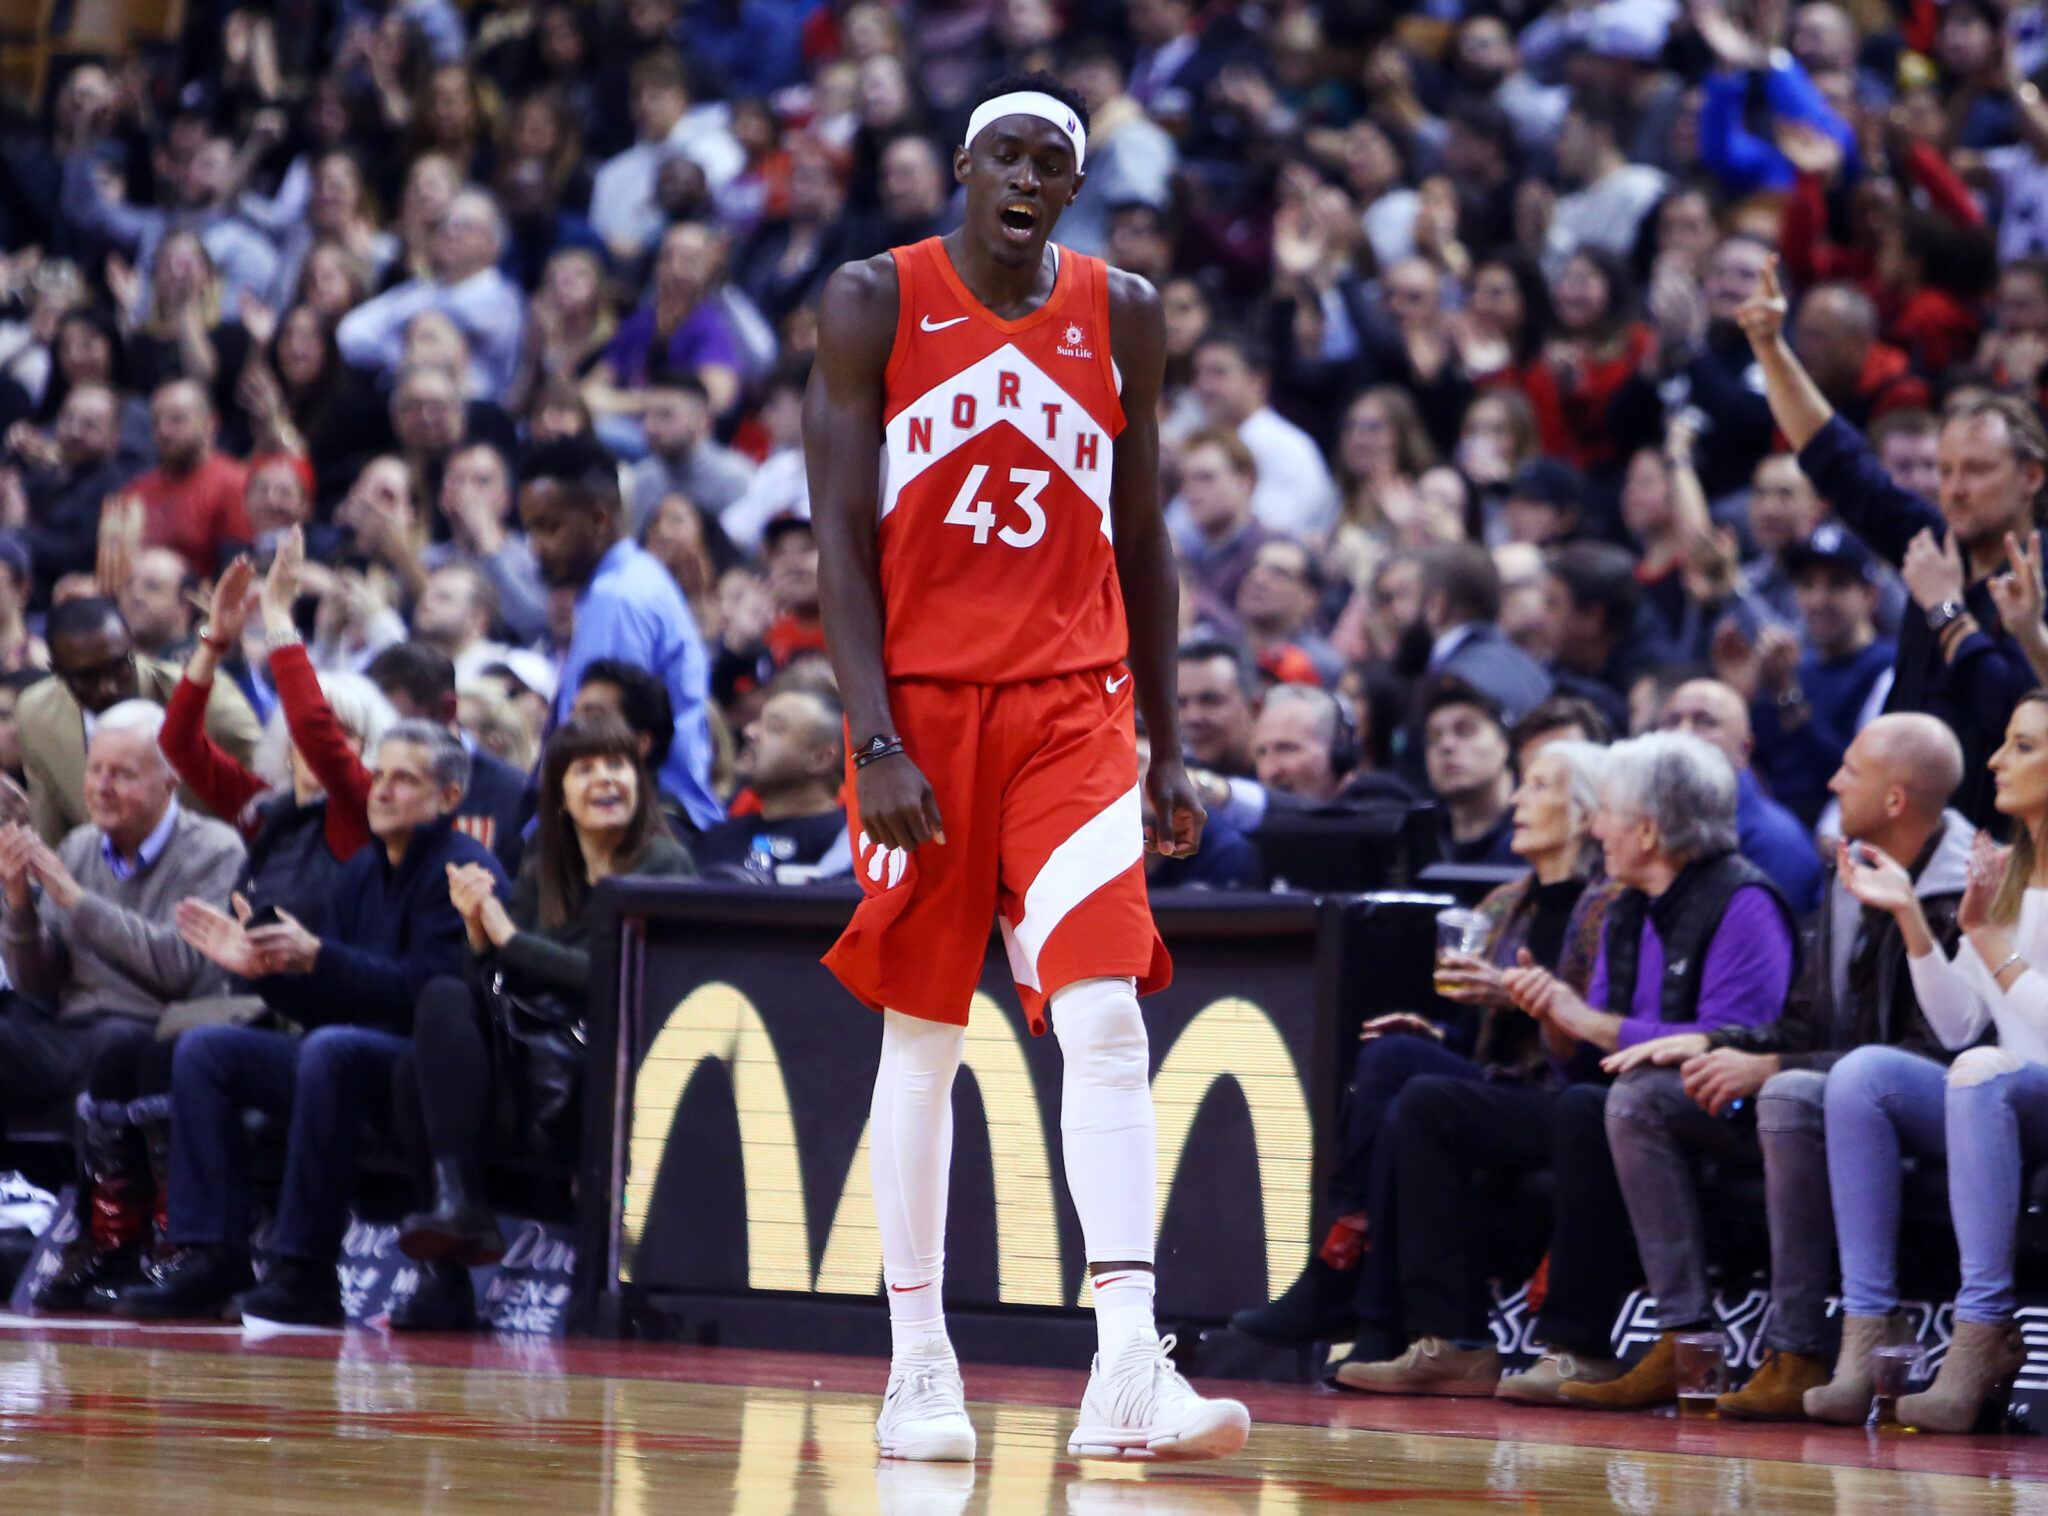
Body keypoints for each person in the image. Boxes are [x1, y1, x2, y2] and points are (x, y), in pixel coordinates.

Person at [804, 73, 1249, 1463]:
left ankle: (1127, 1366)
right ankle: (918, 1364)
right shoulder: (872, 299)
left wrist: (1168, 743)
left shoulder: (1125, 312)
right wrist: (873, 736)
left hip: (1075, 706)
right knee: (924, 1036)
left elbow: (1143, 534)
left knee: (1105, 1014)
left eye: (1049, 162)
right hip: (922, 717)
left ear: (1072, 187)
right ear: (961, 166)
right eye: (1003, 154)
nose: (1024, 177)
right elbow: (837, 540)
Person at [1338, 733, 1796, 1397]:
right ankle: (1453, 1342)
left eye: (1607, 812)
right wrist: (1551, 1017)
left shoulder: (1744, 902)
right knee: (1430, 1102)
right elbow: (1584, 1057)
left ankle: (1579, 1345)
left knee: (1589, 1108)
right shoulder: (1625, 905)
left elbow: (1733, 1045)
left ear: (1648, 829)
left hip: (1718, 1114)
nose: (1597, 827)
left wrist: (1583, 1019)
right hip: (1614, 1099)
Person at [1580, 715, 1972, 1416]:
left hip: (1932, 1105)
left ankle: (1797, 1350)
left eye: (1850, 770)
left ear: (1894, 800)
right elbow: (1800, 1020)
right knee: (1641, 1095)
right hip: (1826, 1084)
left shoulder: (1958, 891)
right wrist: (1712, 1043)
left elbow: (1925, 1054)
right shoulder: (1847, 869)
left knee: (1787, 1092)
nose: (1831, 781)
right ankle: (1683, 1339)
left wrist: (1769, 1066)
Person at [115, 721, 510, 1325]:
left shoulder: (466, 870)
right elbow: (331, 999)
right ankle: (212, 1254)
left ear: (449, 797)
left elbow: (434, 994)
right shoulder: (362, 871)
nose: (381, 791)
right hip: (348, 1051)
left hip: (426, 1072)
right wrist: (265, 972)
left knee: (332, 1050)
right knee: (207, 1051)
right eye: (378, 775)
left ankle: (306, 1271)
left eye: (404, 780)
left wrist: (321, 957)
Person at [1234, 740, 1620, 1357]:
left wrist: (1523, 998)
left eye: (1540, 787)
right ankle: (1361, 1289)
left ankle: (1352, 1287)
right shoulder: (1501, 906)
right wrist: (1437, 1036)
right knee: (1392, 1058)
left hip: (1572, 1097)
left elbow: (1593, 1050)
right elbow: (1477, 1038)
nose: (1517, 801)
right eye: (1523, 784)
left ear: (1585, 814)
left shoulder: (1612, 908)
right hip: (1503, 1089)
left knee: (1412, 1094)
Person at [388, 712, 695, 1329]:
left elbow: (623, 977)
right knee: (417, 1054)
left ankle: (460, 1220)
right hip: (538, 1049)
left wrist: (509, 938)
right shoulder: (543, 868)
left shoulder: (665, 863)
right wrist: (479, 935)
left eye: (617, 765)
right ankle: (451, 1250)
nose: (605, 779)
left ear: (639, 781)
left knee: (425, 1050)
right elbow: (498, 987)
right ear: (559, 796)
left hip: (611, 1057)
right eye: (585, 769)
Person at [1737, 255, 2040, 829]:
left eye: (1977, 470)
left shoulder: (2040, 578)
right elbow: (1838, 461)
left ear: (2030, 477)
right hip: (1899, 835)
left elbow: (2008, 709)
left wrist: (1945, 610)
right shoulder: (1932, 542)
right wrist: (1771, 348)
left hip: (1993, 848)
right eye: (1945, 471)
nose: (1954, 490)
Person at [1814, 689, 2048, 1432]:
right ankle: (1868, 1327)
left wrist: (1988, 941)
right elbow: (1959, 1024)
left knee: (1979, 1073)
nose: (1996, 760)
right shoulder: (2005, 868)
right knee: (1861, 1076)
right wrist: (1912, 915)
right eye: (2004, 740)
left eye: (2023, 746)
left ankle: (1983, 1332)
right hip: (1995, 1091)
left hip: (2021, 1085)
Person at [0, 701, 246, 1121]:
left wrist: (76, 900)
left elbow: (182, 969)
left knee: (115, 1045)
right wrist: (19, 905)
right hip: (69, 1030)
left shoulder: (214, 849)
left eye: (122, 774)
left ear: (170, 781)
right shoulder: (80, 845)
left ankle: (101, 1157)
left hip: (153, 1031)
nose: (101, 787)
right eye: (95, 769)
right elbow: (36, 982)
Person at [520, 438, 724, 835]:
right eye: (530, 529)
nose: (536, 547)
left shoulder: (618, 601)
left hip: (639, 826)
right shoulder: (633, 580)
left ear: (599, 519)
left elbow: (601, 745)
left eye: (549, 527)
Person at [19, 596, 263, 845]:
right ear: (56, 671)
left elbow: (267, 795)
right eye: (87, 678)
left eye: (119, 667)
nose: (107, 687)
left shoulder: (206, 697)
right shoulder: (37, 716)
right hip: (101, 867)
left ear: (133, 647)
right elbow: (50, 838)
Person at [1657, 678, 1826, 914]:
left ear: (1744, 751)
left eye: (1705, 721)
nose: (1683, 733)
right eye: (1673, 721)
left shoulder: (1774, 841)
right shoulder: (1651, 821)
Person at [363, 642, 527, 857]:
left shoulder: (512, 792)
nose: (382, 735)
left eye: (394, 723)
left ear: (447, 709)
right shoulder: (367, 781)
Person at [695, 688, 848, 877]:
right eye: (756, 722)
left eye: (773, 727)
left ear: (822, 758)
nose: (749, 731)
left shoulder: (848, 848)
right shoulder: (717, 837)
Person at [120, 379, 251, 584]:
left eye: (177, 419)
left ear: (210, 423)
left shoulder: (234, 483)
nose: (164, 431)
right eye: (156, 422)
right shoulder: (136, 490)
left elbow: (236, 570)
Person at [1421, 679, 1519, 867]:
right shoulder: (1421, 840)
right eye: (1433, 737)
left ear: (1505, 741)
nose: (1446, 745)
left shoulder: (1536, 832)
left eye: (1465, 731)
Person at [1176, 640, 1259, 779]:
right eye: (1180, 703)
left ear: (1253, 709)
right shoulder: (1165, 780)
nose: (1193, 717)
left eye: (1210, 701)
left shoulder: (1282, 779)